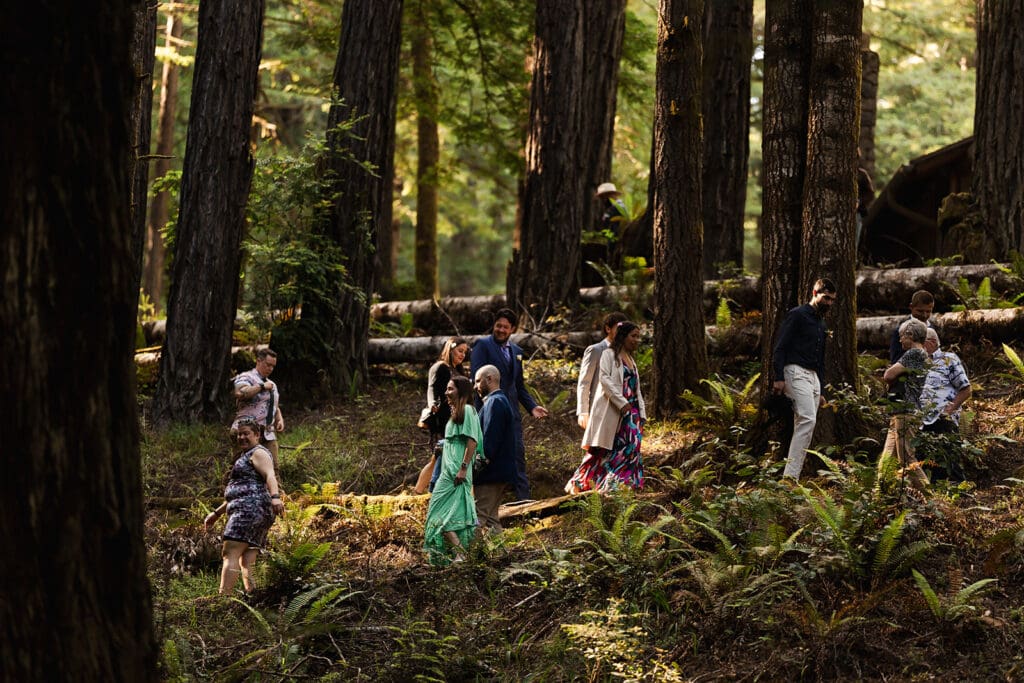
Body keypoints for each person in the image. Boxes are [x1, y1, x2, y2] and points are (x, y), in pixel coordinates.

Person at [470, 308, 549, 501]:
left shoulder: (517, 352)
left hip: (511, 413)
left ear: (512, 329)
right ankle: (479, 500)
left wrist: (531, 406)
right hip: (488, 412)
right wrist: (485, 409)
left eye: (505, 327)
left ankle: (523, 499)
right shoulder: (482, 345)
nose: (501, 330)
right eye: (498, 325)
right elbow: (476, 380)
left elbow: (518, 385)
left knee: (517, 454)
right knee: (486, 453)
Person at [204, 418, 285, 595]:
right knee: (247, 559)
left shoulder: (258, 453)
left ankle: (223, 600)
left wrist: (276, 497)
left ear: (257, 435)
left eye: (246, 433)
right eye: (239, 434)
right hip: (252, 508)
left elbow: (270, 475)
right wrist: (216, 514)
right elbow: (240, 492)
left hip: (250, 509)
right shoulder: (246, 455)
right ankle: (254, 596)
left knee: (230, 551)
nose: (241, 437)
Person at [565, 321, 647, 493]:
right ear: (623, 337)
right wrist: (622, 403)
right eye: (633, 336)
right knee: (606, 450)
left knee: (632, 447)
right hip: (615, 411)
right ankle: (597, 484)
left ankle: (623, 486)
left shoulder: (631, 360)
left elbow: (636, 388)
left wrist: (641, 413)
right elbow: (605, 380)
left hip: (632, 412)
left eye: (638, 336)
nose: (636, 340)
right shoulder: (609, 355)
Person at [772, 278, 837, 480]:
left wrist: (822, 392)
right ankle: (790, 478)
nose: (829, 303)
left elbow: (820, 360)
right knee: (807, 420)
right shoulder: (797, 315)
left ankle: (792, 473)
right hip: (795, 371)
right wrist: (778, 377)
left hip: (813, 376)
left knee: (806, 421)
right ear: (814, 293)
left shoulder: (821, 323)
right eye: (826, 298)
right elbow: (780, 347)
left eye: (832, 300)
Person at [424, 376, 482, 565]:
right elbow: (456, 439)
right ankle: (456, 555)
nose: (447, 392)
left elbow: (472, 440)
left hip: (457, 469)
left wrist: (463, 468)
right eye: (447, 389)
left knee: (446, 511)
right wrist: (444, 446)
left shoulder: (468, 410)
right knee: (438, 510)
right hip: (448, 467)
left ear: (461, 391)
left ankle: (461, 553)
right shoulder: (456, 411)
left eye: (450, 389)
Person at [882, 318, 931, 489]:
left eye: (902, 336)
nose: (900, 340)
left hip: (905, 410)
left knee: (907, 461)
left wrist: (891, 372)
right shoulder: (922, 353)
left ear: (910, 335)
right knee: (886, 462)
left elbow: (888, 375)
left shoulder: (914, 353)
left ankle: (933, 501)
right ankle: (879, 499)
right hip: (900, 411)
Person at [415, 337, 468, 494]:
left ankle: (427, 491)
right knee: (438, 457)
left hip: (456, 419)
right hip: (442, 420)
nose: (462, 355)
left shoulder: (459, 370)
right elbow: (431, 389)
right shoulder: (440, 367)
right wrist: (432, 404)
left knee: (443, 457)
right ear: (450, 349)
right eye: (460, 351)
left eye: (465, 352)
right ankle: (420, 491)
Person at [919, 328, 972, 481]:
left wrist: (948, 411)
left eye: (919, 343)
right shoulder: (917, 361)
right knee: (925, 464)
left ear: (930, 343)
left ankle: (962, 496)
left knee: (949, 461)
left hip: (943, 419)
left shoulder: (948, 359)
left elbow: (966, 389)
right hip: (920, 421)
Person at [473, 364, 517, 533]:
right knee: (491, 519)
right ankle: (502, 556)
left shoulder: (495, 402)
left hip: (491, 473)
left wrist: (478, 466)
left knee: (477, 516)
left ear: (489, 379)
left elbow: (490, 440)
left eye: (478, 381)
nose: (476, 386)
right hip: (499, 472)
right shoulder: (498, 401)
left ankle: (466, 555)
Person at [577, 311, 628, 430]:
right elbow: (584, 382)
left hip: (621, 408)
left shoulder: (625, 352)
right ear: (608, 329)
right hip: (599, 408)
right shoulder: (596, 350)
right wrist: (583, 411)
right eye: (618, 329)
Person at [233, 348, 285, 464]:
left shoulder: (272, 384)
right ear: (258, 361)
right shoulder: (246, 377)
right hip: (246, 432)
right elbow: (240, 393)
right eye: (268, 365)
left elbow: (273, 406)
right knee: (240, 467)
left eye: (273, 366)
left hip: (267, 433)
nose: (270, 369)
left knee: (273, 467)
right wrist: (261, 386)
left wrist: (279, 419)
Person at [889, 290, 934, 364]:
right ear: (911, 307)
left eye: (928, 311)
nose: (924, 315)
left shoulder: (931, 327)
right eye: (920, 311)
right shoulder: (901, 330)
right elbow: (895, 360)